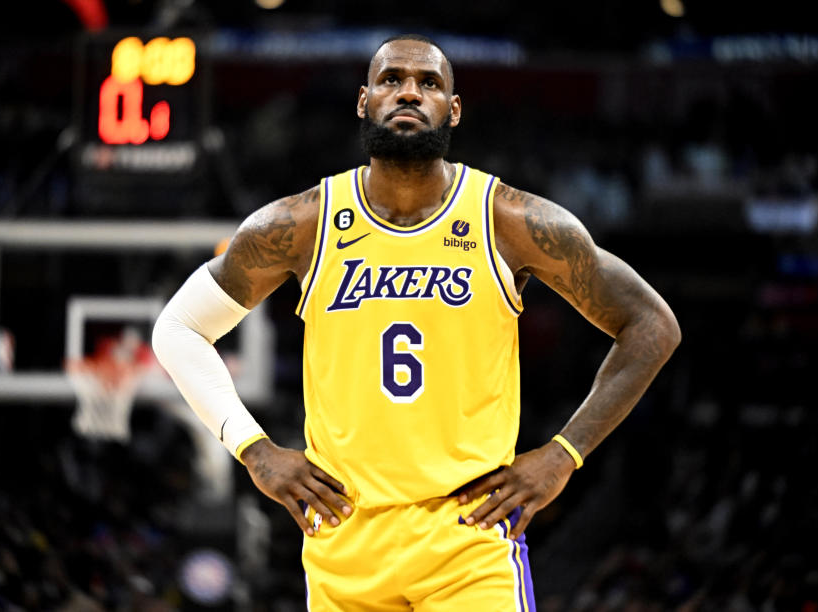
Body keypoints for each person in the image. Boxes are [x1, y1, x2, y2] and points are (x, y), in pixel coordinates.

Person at [152, 33, 681, 610]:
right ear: (363, 100)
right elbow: (177, 330)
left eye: (429, 84)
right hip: (342, 542)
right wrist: (253, 450)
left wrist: (563, 455)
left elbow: (652, 325)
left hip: (468, 543)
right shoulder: (300, 224)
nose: (409, 93)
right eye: (391, 80)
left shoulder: (509, 220)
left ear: (453, 110)